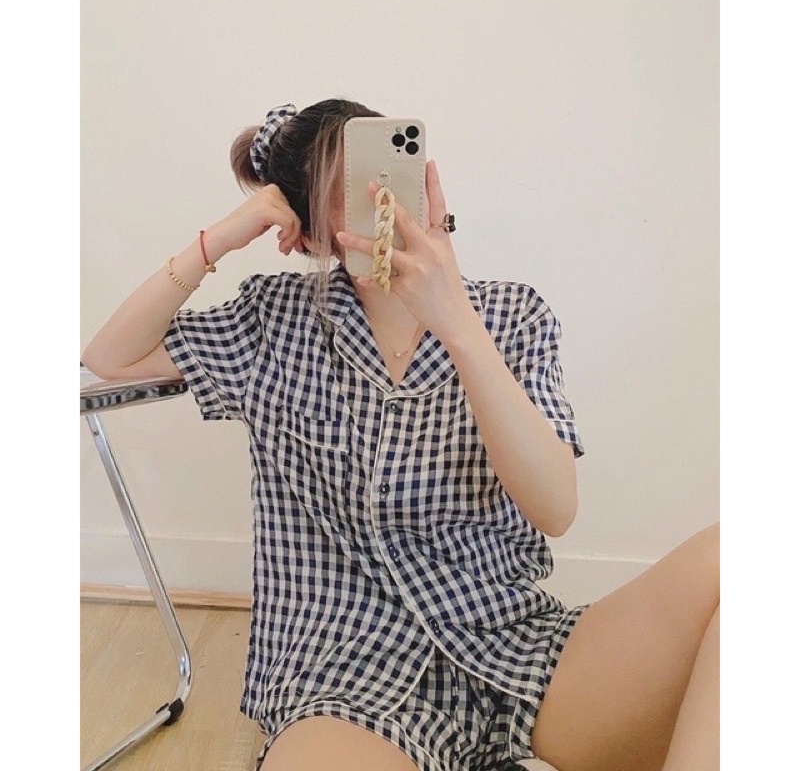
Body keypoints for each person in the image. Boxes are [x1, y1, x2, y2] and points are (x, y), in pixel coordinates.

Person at [81, 98, 719, 771]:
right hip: (346, 675)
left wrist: (458, 326)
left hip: (516, 650)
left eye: (386, 175)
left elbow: (555, 508)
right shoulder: (272, 323)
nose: (379, 204)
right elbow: (110, 356)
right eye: (344, 195)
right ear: (310, 233)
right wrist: (221, 237)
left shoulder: (511, 314)